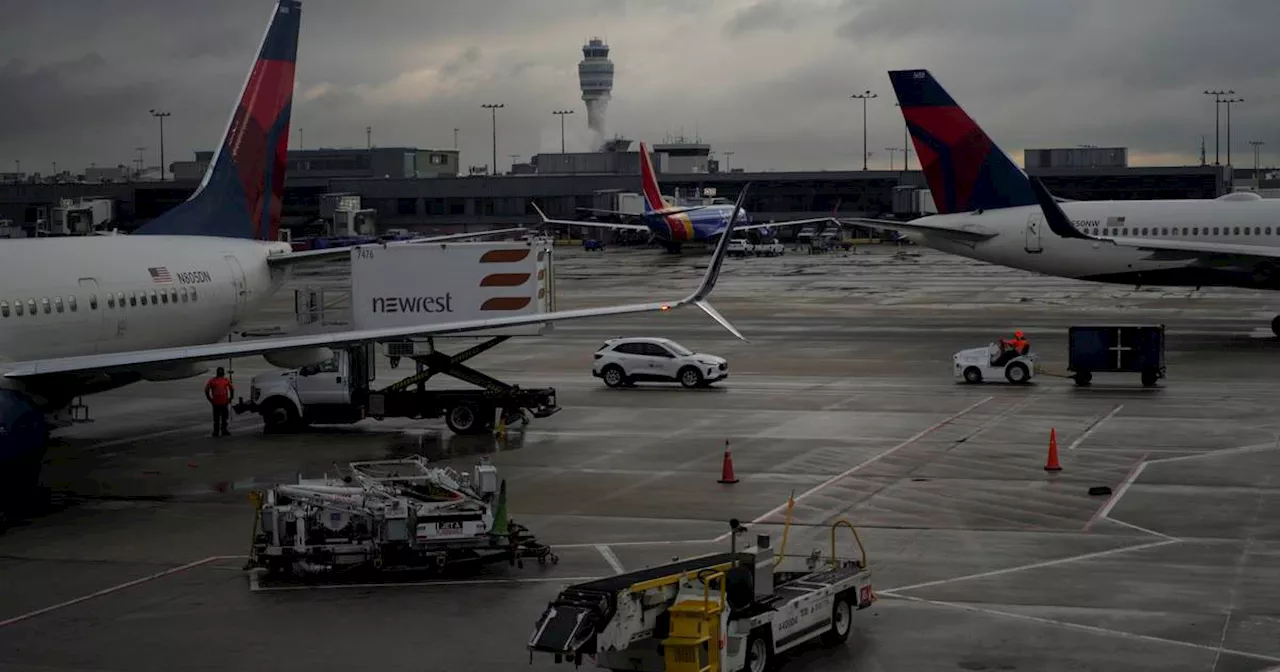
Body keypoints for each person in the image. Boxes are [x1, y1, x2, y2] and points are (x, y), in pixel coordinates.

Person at [205, 366, 234, 437]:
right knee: (224, 417)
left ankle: (216, 432)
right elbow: (232, 389)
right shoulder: (226, 380)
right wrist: (230, 398)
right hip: (223, 402)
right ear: (223, 373)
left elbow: (206, 390)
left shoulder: (212, 381)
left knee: (217, 418)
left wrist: (210, 399)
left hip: (216, 402)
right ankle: (223, 430)